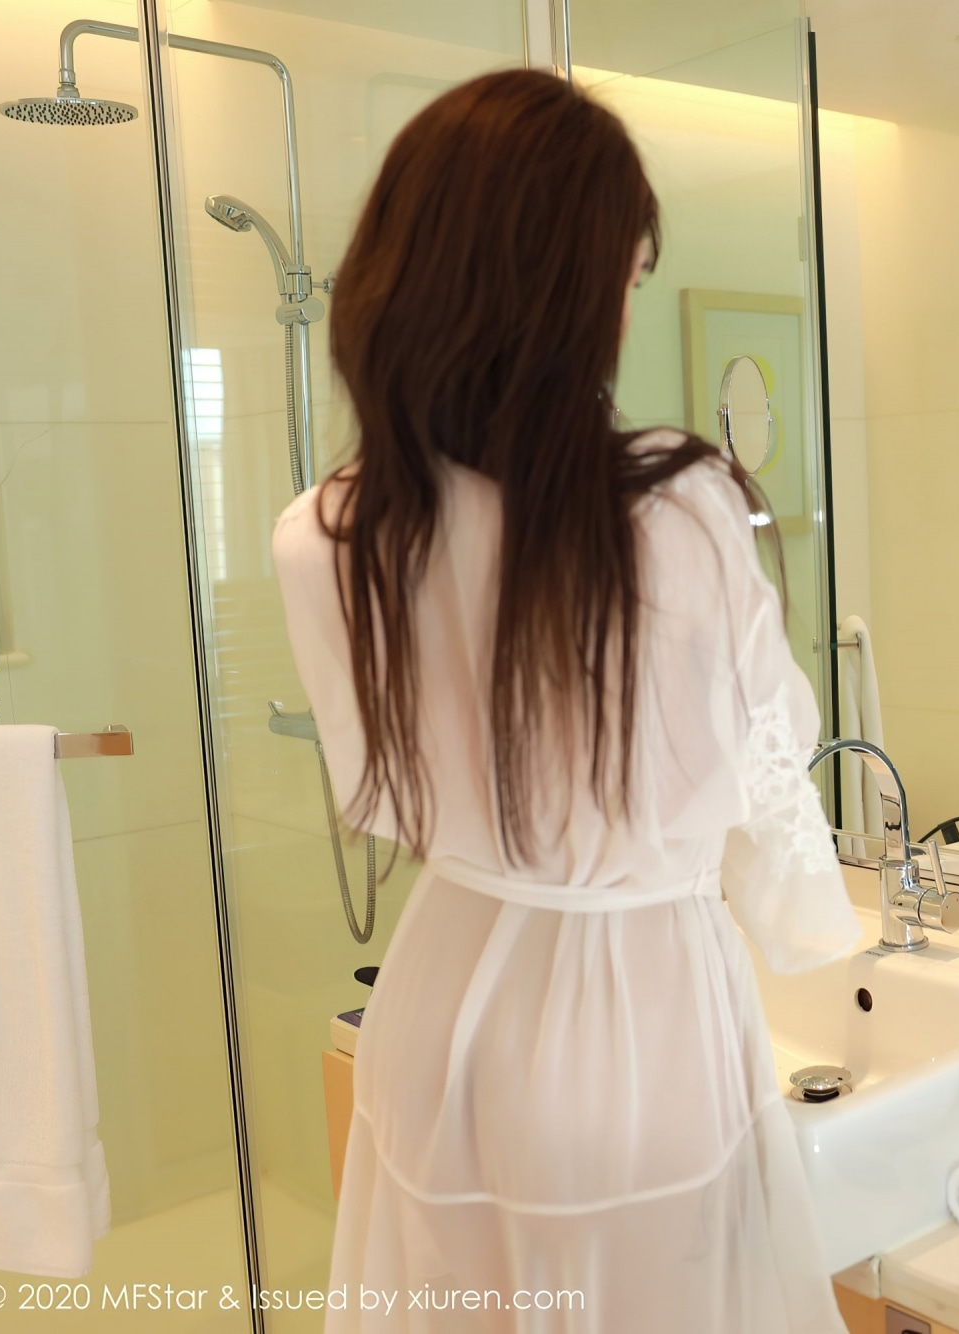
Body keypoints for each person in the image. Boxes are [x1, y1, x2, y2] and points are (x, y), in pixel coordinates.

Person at [272, 69, 861, 1331]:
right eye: (623, 278)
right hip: (632, 1016)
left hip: (440, 1001)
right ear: (557, 285)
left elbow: (381, 797)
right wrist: (802, 918)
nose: (625, 311)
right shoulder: (675, 510)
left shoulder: (324, 532)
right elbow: (768, 752)